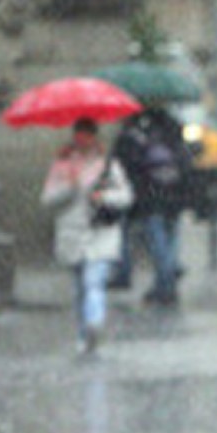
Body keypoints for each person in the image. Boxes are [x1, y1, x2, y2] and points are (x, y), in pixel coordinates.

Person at [40, 117, 133, 355]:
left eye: (87, 135)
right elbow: (47, 199)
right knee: (80, 288)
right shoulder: (61, 164)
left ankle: (94, 325)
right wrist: (69, 188)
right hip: (72, 234)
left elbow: (126, 197)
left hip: (100, 233)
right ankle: (83, 335)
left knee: (94, 282)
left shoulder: (108, 164)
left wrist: (104, 197)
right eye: (79, 135)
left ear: (94, 137)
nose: (83, 140)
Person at [112, 104, 193, 307]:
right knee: (170, 241)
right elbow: (187, 163)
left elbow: (132, 168)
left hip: (153, 198)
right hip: (175, 196)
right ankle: (165, 282)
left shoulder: (140, 137)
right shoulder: (174, 135)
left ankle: (165, 286)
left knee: (158, 244)